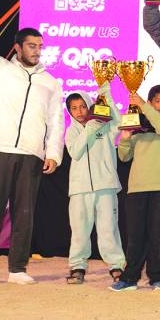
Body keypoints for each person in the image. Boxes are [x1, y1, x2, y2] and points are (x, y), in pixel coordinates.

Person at [0, 12, 64, 290]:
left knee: (25, 214)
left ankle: (18, 268)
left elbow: (56, 120)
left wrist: (53, 153)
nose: (37, 51)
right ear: (18, 47)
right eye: (32, 46)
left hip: (31, 154)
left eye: (40, 46)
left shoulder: (50, 82)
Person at [111, 86, 160, 291]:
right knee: (135, 235)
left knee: (159, 234)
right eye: (158, 101)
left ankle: (157, 276)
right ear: (150, 102)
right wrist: (125, 139)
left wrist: (142, 105)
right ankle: (130, 277)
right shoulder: (136, 124)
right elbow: (124, 156)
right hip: (137, 187)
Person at [63, 87, 125, 285]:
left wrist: (107, 95)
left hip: (106, 185)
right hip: (79, 189)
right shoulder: (70, 132)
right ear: (69, 111)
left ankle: (116, 265)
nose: (79, 111)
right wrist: (90, 128)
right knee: (79, 230)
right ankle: (77, 267)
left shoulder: (105, 127)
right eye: (74, 108)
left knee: (108, 228)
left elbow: (119, 122)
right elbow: (75, 152)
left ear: (90, 106)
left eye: (83, 106)